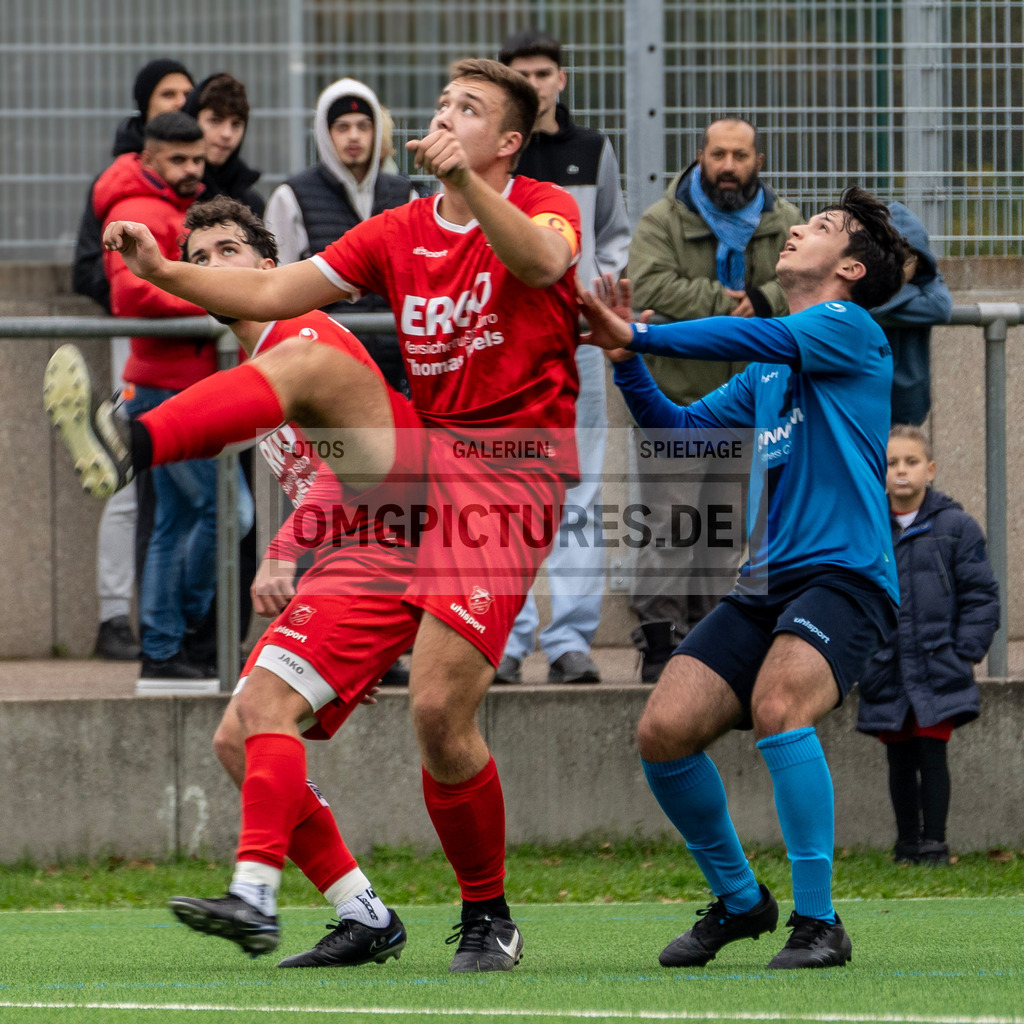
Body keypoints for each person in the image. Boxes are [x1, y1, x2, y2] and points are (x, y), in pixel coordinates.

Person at [53, 58, 581, 974]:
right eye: (446, 102)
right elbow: (268, 294)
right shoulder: (396, 230)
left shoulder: (542, 203)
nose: (447, 116)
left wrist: (462, 182)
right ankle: (301, 901)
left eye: (472, 111)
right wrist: (163, 269)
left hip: (507, 474)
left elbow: (540, 262)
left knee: (439, 716)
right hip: (416, 468)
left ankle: (487, 914)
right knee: (250, 716)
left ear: (508, 142)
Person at [579, 186, 910, 969]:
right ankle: (740, 902)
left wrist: (641, 328)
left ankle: (819, 922)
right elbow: (678, 430)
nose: (798, 229)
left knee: (779, 705)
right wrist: (629, 362)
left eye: (822, 228)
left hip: (846, 577)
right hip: (766, 584)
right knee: (662, 733)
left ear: (852, 267)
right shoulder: (769, 367)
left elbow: (749, 330)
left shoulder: (849, 327)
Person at [626, 118, 802, 683]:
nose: (729, 165)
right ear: (700, 155)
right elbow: (650, 287)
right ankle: (657, 648)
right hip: (677, 399)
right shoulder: (663, 219)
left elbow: (808, 278)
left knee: (724, 534)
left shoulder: (785, 221)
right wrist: (731, 308)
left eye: (741, 155)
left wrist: (764, 296)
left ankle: (707, 647)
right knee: (669, 527)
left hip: (748, 402)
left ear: (760, 159)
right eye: (719, 154)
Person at [90, 110, 253, 681]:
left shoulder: (164, 209)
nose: (191, 169)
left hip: (180, 382)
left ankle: (163, 649)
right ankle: (175, 632)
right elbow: (131, 296)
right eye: (178, 160)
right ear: (150, 158)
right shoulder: (135, 211)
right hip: (167, 386)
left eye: (197, 159)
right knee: (230, 512)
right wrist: (222, 296)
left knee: (180, 520)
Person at [494, 28, 630, 685]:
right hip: (506, 349)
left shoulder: (591, 151)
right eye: (521, 75)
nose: (535, 84)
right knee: (510, 494)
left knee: (582, 490)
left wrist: (597, 300)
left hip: (577, 349)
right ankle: (510, 641)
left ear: (561, 79)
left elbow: (613, 237)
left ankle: (571, 640)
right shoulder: (491, 157)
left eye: (544, 73)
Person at [72, 57, 195, 662]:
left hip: (177, 344)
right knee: (137, 484)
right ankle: (123, 618)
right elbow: (97, 271)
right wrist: (182, 298)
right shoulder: (129, 184)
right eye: (168, 93)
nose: (180, 101)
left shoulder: (183, 179)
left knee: (172, 498)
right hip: (145, 344)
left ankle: (158, 625)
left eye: (186, 94)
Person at [856, 425, 999, 866]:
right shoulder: (867, 528)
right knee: (899, 757)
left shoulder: (957, 527)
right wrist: (862, 659)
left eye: (911, 462)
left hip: (939, 665)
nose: (901, 471)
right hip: (887, 666)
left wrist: (964, 652)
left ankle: (934, 844)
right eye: (892, 463)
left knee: (932, 752)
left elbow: (981, 596)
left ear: (930, 470)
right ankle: (906, 845)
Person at [264, 78, 418, 397]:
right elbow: (278, 285)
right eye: (342, 126)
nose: (354, 136)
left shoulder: (405, 194)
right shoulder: (292, 196)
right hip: (327, 368)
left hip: (399, 369)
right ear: (325, 132)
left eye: (363, 126)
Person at [870, 204, 953, 426]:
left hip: (909, 406)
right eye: (892, 258)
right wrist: (911, 292)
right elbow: (868, 305)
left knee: (903, 458)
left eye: (906, 260)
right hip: (865, 398)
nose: (899, 268)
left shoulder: (927, 280)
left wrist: (891, 295)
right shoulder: (917, 289)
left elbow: (940, 308)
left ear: (919, 261)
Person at [183, 72, 265, 216]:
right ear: (192, 120)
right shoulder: (172, 191)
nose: (227, 134)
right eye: (215, 121)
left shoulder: (252, 203)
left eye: (236, 124)